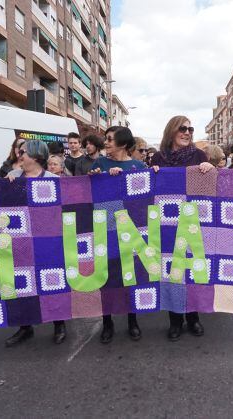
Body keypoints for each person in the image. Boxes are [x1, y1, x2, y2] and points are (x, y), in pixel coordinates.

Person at [151, 115, 215, 341]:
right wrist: (153, 172)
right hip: (167, 224)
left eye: (190, 128)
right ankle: (175, 320)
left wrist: (210, 167)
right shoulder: (159, 157)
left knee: (193, 270)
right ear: (172, 131)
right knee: (172, 271)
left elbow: (210, 189)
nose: (187, 132)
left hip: (193, 222)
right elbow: (151, 192)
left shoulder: (199, 156)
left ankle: (194, 318)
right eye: (182, 128)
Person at [4, 139, 67, 347]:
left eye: (23, 152)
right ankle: (25, 327)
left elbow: (64, 207)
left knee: (53, 280)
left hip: (48, 239)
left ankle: (59, 323)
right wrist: (2, 188)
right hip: (20, 239)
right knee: (22, 283)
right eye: (19, 151)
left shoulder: (52, 178)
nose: (19, 154)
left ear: (37, 156)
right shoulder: (12, 177)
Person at [89, 127, 149, 343]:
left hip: (130, 231)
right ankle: (108, 323)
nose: (105, 143)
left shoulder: (138, 166)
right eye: (106, 139)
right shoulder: (99, 164)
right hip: (105, 230)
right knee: (107, 278)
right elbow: (88, 191)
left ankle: (133, 321)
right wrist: (96, 178)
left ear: (123, 144)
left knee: (130, 276)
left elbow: (146, 197)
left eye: (110, 140)